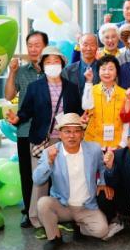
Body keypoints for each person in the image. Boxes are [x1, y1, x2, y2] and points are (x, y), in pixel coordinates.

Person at [6, 46, 83, 238]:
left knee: (65, 180)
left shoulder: (71, 87)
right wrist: (17, 118)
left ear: (62, 64)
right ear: (42, 65)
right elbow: (26, 111)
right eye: (48, 62)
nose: (52, 65)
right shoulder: (35, 87)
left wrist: (82, 119)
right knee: (39, 180)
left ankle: (65, 217)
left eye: (56, 61)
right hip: (42, 139)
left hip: (66, 140)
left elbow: (78, 112)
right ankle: (36, 219)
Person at [33, 113, 111, 250]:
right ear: (60, 134)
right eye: (67, 131)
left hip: (86, 206)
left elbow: (102, 167)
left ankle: (79, 227)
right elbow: (38, 180)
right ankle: (54, 238)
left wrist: (102, 182)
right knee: (43, 203)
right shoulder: (50, 152)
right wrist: (49, 161)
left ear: (82, 134)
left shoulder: (94, 149)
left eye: (76, 131)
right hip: (63, 205)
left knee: (102, 231)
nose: (72, 136)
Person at [4, 31, 47, 229]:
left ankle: (47, 211)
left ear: (45, 47)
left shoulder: (53, 70)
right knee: (27, 173)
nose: (33, 49)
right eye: (30, 45)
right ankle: (28, 213)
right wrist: (12, 72)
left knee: (49, 173)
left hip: (49, 132)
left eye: (37, 45)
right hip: (25, 130)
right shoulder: (21, 71)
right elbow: (8, 95)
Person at [81, 55, 127, 149]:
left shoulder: (125, 94)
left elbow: (127, 122)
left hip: (116, 145)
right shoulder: (91, 89)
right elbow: (86, 106)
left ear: (117, 72)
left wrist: (122, 143)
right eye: (103, 69)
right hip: (93, 143)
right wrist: (89, 82)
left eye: (111, 69)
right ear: (98, 72)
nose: (107, 72)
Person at [63, 33, 101, 98]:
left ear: (97, 47)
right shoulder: (67, 71)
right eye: (85, 45)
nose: (88, 48)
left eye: (92, 45)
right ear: (79, 46)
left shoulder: (104, 69)